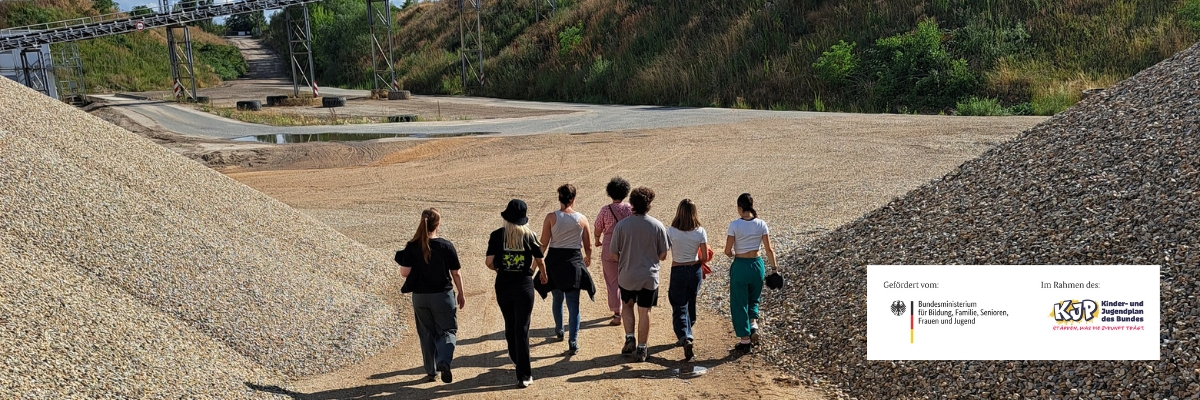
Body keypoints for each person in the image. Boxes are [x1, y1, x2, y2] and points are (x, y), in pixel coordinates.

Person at [395, 208, 465, 384]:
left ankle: (431, 371)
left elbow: (404, 273)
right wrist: (461, 294)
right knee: (447, 330)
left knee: (426, 333)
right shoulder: (446, 246)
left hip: (420, 297)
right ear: (438, 224)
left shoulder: (412, 246)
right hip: (442, 296)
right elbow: (456, 273)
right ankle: (444, 360)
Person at [486, 199, 547, 389]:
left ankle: (515, 357)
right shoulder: (530, 236)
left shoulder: (497, 235)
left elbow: (489, 262)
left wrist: (501, 269)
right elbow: (540, 259)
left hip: (503, 284)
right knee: (522, 328)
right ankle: (524, 375)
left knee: (510, 325)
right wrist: (542, 275)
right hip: (524, 285)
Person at [609, 186, 670, 362]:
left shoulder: (622, 226)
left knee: (627, 305)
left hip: (627, 274)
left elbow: (613, 254)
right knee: (645, 311)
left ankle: (630, 338)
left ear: (632, 204)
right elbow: (663, 254)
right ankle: (642, 348)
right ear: (649, 204)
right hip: (648, 276)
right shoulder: (657, 225)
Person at [539, 183, 594, 355]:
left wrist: (538, 266)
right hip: (573, 262)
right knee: (573, 304)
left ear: (559, 198)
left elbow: (543, 244)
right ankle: (573, 340)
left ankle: (559, 329)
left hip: (555, 262)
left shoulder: (550, 217)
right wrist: (588, 259)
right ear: (574, 199)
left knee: (557, 299)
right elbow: (589, 245)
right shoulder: (582, 219)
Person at [724, 193, 777, 352]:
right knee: (754, 298)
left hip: (740, 265)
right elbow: (769, 249)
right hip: (757, 265)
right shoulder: (761, 224)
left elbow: (727, 250)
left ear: (740, 208)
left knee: (739, 302)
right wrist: (774, 269)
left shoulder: (734, 225)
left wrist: (733, 255)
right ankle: (753, 324)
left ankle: (745, 340)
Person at [667, 199, 709, 361]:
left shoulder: (671, 231)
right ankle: (689, 328)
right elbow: (704, 257)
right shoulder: (700, 232)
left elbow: (664, 251)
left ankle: (685, 337)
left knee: (678, 305)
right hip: (695, 270)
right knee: (691, 300)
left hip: (678, 269)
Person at [594, 177, 633, 326]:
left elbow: (598, 227)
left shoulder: (605, 210)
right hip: (627, 246)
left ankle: (617, 313)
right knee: (627, 279)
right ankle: (628, 306)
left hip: (610, 246)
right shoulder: (630, 208)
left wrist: (597, 239)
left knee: (612, 281)